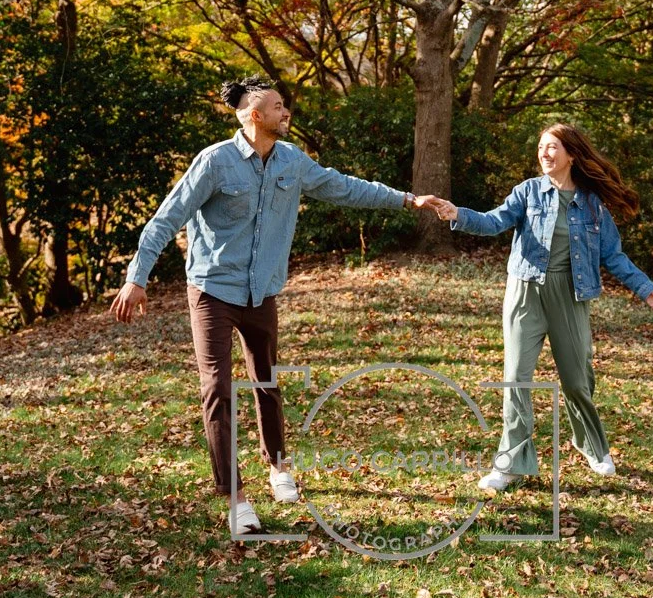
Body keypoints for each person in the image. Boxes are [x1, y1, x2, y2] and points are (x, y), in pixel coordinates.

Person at [110, 76, 427, 534]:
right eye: (279, 107)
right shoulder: (215, 162)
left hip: (261, 293)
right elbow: (166, 218)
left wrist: (407, 199)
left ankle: (278, 467)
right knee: (217, 388)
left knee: (267, 382)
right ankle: (236, 497)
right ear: (256, 116)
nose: (287, 113)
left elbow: (344, 187)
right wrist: (136, 278)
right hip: (212, 290)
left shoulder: (292, 161)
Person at [425, 123, 653, 488]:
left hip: (570, 294)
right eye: (541, 146)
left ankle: (590, 444)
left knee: (576, 379)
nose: (545, 153)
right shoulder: (527, 192)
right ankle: (509, 462)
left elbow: (613, 255)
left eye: (552, 147)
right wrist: (457, 213)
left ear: (571, 154)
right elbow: (494, 222)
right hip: (525, 291)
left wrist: (645, 289)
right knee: (515, 378)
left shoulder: (591, 204)